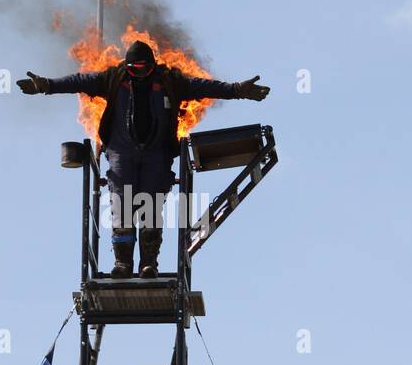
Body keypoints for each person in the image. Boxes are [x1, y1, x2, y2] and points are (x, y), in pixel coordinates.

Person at [17, 39, 270, 277]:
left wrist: (238, 90)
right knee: (122, 205)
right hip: (121, 150)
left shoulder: (170, 81)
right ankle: (122, 263)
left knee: (150, 206)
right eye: (134, 69)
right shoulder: (113, 79)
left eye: (143, 68)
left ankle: (149, 262)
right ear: (127, 67)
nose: (139, 73)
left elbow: (204, 86)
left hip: (156, 152)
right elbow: (80, 80)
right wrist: (47, 85)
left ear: (152, 65)